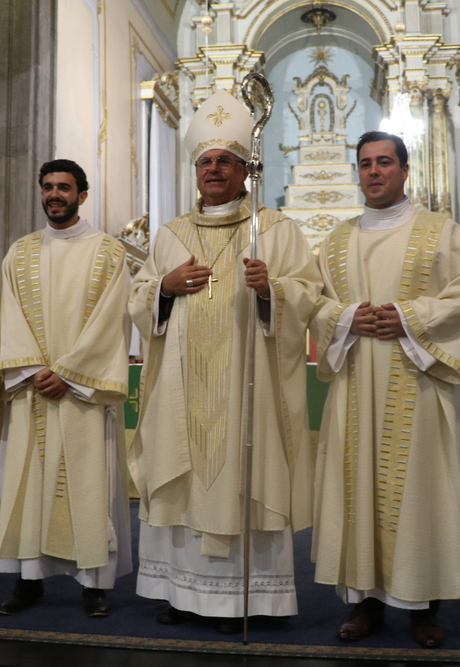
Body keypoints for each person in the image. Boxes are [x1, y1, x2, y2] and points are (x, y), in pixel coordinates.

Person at [128, 90, 322, 633]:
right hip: (180, 392)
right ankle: (179, 591)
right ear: (196, 171)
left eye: (225, 161)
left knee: (242, 478)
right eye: (205, 161)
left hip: (247, 392)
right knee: (184, 481)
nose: (214, 169)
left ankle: (250, 598)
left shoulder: (276, 230)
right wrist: (163, 288)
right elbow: (139, 300)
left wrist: (271, 290)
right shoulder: (170, 236)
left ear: (244, 170)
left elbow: (308, 295)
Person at [310, 131, 460, 648]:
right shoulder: (335, 240)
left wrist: (406, 317)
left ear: (404, 170)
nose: (373, 172)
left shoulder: (442, 232)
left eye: (383, 162)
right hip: (356, 381)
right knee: (360, 487)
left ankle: (425, 607)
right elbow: (314, 302)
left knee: (422, 489)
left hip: (419, 383)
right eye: (365, 164)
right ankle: (365, 605)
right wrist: (351, 316)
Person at [0, 159, 132, 617]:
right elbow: (6, 314)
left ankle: (94, 583)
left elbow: (112, 320)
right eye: (48, 187)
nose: (55, 195)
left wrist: (69, 372)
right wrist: (33, 369)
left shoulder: (109, 252)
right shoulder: (21, 251)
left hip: (81, 395)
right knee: (28, 485)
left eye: (64, 188)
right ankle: (29, 581)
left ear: (82, 195)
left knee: (89, 486)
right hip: (32, 390)